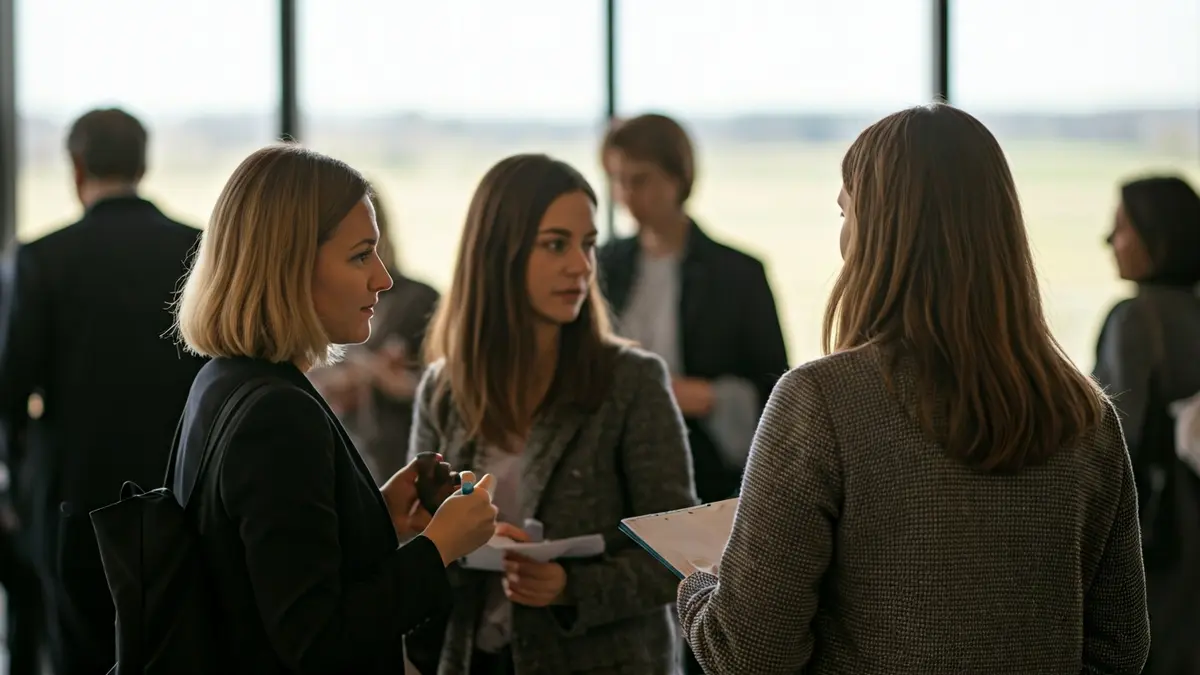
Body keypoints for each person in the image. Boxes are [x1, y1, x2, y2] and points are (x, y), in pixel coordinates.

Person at [677, 104, 1150, 674]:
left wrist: (699, 584)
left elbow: (749, 654)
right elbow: (1120, 648)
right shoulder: (1084, 416)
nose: (843, 236)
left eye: (846, 212)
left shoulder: (819, 402)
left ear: (877, 233)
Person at [171, 143, 498, 671]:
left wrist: (375, 518)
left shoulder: (222, 379)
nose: (383, 279)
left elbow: (269, 575)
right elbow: (319, 643)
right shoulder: (278, 416)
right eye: (360, 255)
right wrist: (440, 546)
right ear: (290, 265)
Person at [406, 154, 698, 674]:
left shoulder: (631, 381)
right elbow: (419, 535)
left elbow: (676, 557)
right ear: (500, 254)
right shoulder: (445, 388)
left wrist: (572, 587)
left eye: (587, 245)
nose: (582, 266)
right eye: (556, 244)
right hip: (477, 659)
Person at [0, 107, 206, 675]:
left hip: (73, 491)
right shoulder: (195, 248)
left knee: (78, 650)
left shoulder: (44, 258)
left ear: (76, 166)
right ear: (145, 163)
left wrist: (17, 484)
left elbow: (12, 389)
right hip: (178, 489)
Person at [598, 113, 788, 506]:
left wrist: (713, 397)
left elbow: (777, 389)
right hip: (610, 464)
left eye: (640, 179)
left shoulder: (738, 273)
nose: (627, 194)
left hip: (706, 466)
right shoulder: (603, 265)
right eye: (618, 180)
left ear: (678, 177)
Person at [1093, 175, 1200, 674]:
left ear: (1157, 237)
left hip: (1159, 538)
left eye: (1121, 229)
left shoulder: (1135, 319)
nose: (1108, 241)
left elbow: (1114, 442)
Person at [310, 186, 441, 486]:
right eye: (357, 255)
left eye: (368, 251)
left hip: (396, 464)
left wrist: (393, 383)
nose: (381, 278)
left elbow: (450, 389)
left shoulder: (418, 300)